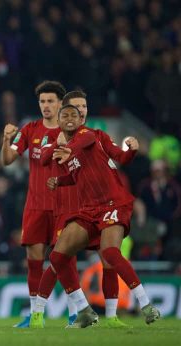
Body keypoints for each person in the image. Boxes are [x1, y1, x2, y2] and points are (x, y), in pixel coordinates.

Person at [42, 105, 160, 328]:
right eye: (64, 116)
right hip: (90, 209)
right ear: (59, 122)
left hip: (113, 203)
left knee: (110, 253)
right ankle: (84, 311)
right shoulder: (69, 149)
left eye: (74, 115)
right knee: (57, 256)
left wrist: (131, 151)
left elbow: (97, 149)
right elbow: (77, 175)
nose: (69, 119)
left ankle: (146, 305)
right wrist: (60, 181)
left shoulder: (88, 135)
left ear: (80, 120)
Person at [1, 81, 65, 328]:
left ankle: (74, 310)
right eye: (42, 101)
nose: (46, 106)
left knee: (62, 259)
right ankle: (34, 314)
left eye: (50, 101)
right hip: (36, 205)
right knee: (34, 259)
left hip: (62, 206)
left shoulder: (69, 132)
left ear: (60, 103)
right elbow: (7, 160)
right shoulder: (30, 130)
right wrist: (6, 139)